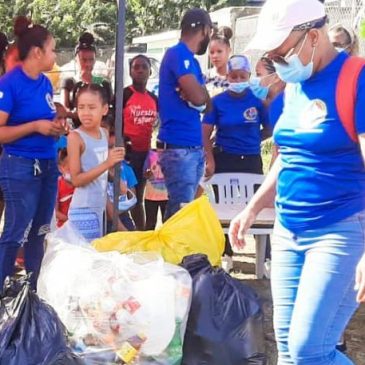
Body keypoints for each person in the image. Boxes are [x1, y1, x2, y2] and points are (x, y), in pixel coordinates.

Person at [229, 1, 365, 364]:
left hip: (340, 230)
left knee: (310, 350)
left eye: (281, 53)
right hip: (287, 231)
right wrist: (253, 207)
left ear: (314, 36)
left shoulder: (356, 78)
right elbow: (288, 156)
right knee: (289, 352)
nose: (276, 64)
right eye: (271, 58)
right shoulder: (293, 86)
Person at [0, 16, 67, 290]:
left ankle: (31, 293)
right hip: (20, 166)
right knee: (16, 232)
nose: (54, 54)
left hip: (47, 164)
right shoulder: (9, 83)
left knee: (39, 231)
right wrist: (35, 126)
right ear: (37, 52)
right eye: (52, 49)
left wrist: (56, 122)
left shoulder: (44, 83)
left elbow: (45, 119)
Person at [158, 8, 212, 220]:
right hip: (179, 149)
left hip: (191, 148)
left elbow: (206, 103)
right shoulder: (177, 54)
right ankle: (173, 254)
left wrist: (199, 95)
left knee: (185, 213)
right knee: (180, 215)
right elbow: (199, 98)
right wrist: (199, 95)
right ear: (205, 29)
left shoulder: (193, 60)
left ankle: (180, 253)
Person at [67, 84, 124, 241]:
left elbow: (101, 173)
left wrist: (117, 179)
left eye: (91, 107)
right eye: (81, 107)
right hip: (83, 210)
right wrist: (108, 163)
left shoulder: (104, 133)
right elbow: (77, 179)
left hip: (100, 209)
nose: (85, 113)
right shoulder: (75, 137)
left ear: (104, 109)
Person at [203, 55, 271, 179]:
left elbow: (270, 129)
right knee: (224, 198)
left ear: (249, 77)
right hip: (224, 159)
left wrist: (250, 140)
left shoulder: (258, 101)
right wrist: (210, 161)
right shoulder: (216, 102)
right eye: (234, 77)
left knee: (253, 198)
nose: (238, 80)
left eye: (242, 76)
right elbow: (204, 135)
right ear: (227, 77)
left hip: (251, 160)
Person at [123, 54, 158, 230]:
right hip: (128, 155)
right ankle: (131, 233)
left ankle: (143, 234)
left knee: (142, 198)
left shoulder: (154, 99)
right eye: (136, 67)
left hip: (146, 155)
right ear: (130, 71)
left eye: (144, 67)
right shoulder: (124, 95)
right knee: (129, 197)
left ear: (150, 71)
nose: (140, 70)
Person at [61, 33, 113, 124]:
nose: (88, 64)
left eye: (91, 60)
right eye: (84, 60)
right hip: (76, 129)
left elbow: (111, 107)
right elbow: (64, 109)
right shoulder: (69, 82)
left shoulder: (102, 82)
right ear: (76, 59)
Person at [106, 131, 137, 232]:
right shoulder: (99, 171)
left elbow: (131, 198)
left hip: (123, 215)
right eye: (110, 147)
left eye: (118, 147)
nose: (115, 150)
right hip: (105, 219)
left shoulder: (127, 170)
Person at [144, 149, 168, 230]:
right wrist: (148, 173)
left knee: (168, 225)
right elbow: (144, 172)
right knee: (150, 225)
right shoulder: (151, 154)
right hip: (151, 196)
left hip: (167, 196)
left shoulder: (173, 154)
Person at [205, 26, 232, 96]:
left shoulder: (237, 77)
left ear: (229, 51)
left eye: (219, 51)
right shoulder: (205, 77)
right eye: (212, 52)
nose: (215, 56)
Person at [55, 148, 74, 228]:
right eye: (68, 169)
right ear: (60, 168)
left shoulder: (82, 184)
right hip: (63, 228)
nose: (72, 172)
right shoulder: (57, 185)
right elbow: (55, 212)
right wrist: (70, 221)